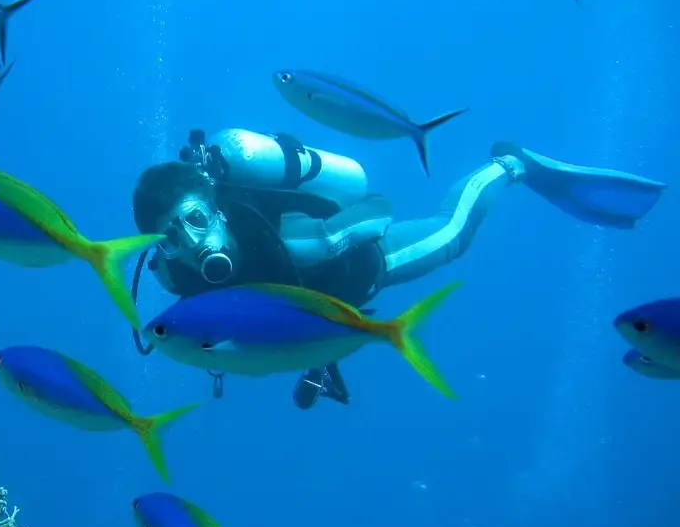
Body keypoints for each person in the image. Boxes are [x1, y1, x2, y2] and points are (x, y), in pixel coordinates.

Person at [129, 128, 666, 409]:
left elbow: (378, 208)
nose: (191, 242)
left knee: (452, 232)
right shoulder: (180, 283)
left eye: (197, 219)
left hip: (369, 265)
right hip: (327, 316)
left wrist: (335, 239)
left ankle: (511, 164)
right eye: (171, 236)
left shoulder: (298, 239)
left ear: (217, 208)